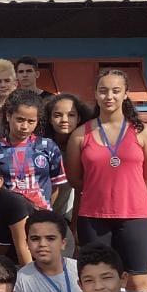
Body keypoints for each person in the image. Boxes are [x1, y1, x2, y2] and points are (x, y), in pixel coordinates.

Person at [66, 68, 147, 292]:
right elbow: (76, 179)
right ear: (96, 94)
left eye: (116, 91)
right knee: (99, 282)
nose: (109, 96)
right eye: (103, 91)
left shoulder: (143, 132)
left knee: (138, 284)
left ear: (126, 93)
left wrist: (131, 198)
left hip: (136, 218)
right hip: (94, 219)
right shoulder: (80, 134)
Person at [0, 90, 67, 211]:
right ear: (8, 116)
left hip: (41, 218)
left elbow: (55, 185)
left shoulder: (48, 147)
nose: (24, 127)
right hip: (7, 217)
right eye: (20, 120)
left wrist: (45, 208)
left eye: (31, 121)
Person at [12, 210, 84, 292]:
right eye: (35, 239)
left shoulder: (81, 269)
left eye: (50, 238)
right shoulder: (22, 279)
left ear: (63, 243)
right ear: (27, 243)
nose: (42, 244)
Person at [43, 93, 92, 231]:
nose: (64, 120)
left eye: (71, 115)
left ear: (79, 118)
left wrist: (75, 227)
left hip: (68, 216)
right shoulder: (39, 147)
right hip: (38, 214)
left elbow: (80, 191)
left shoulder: (86, 148)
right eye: (57, 115)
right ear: (50, 119)